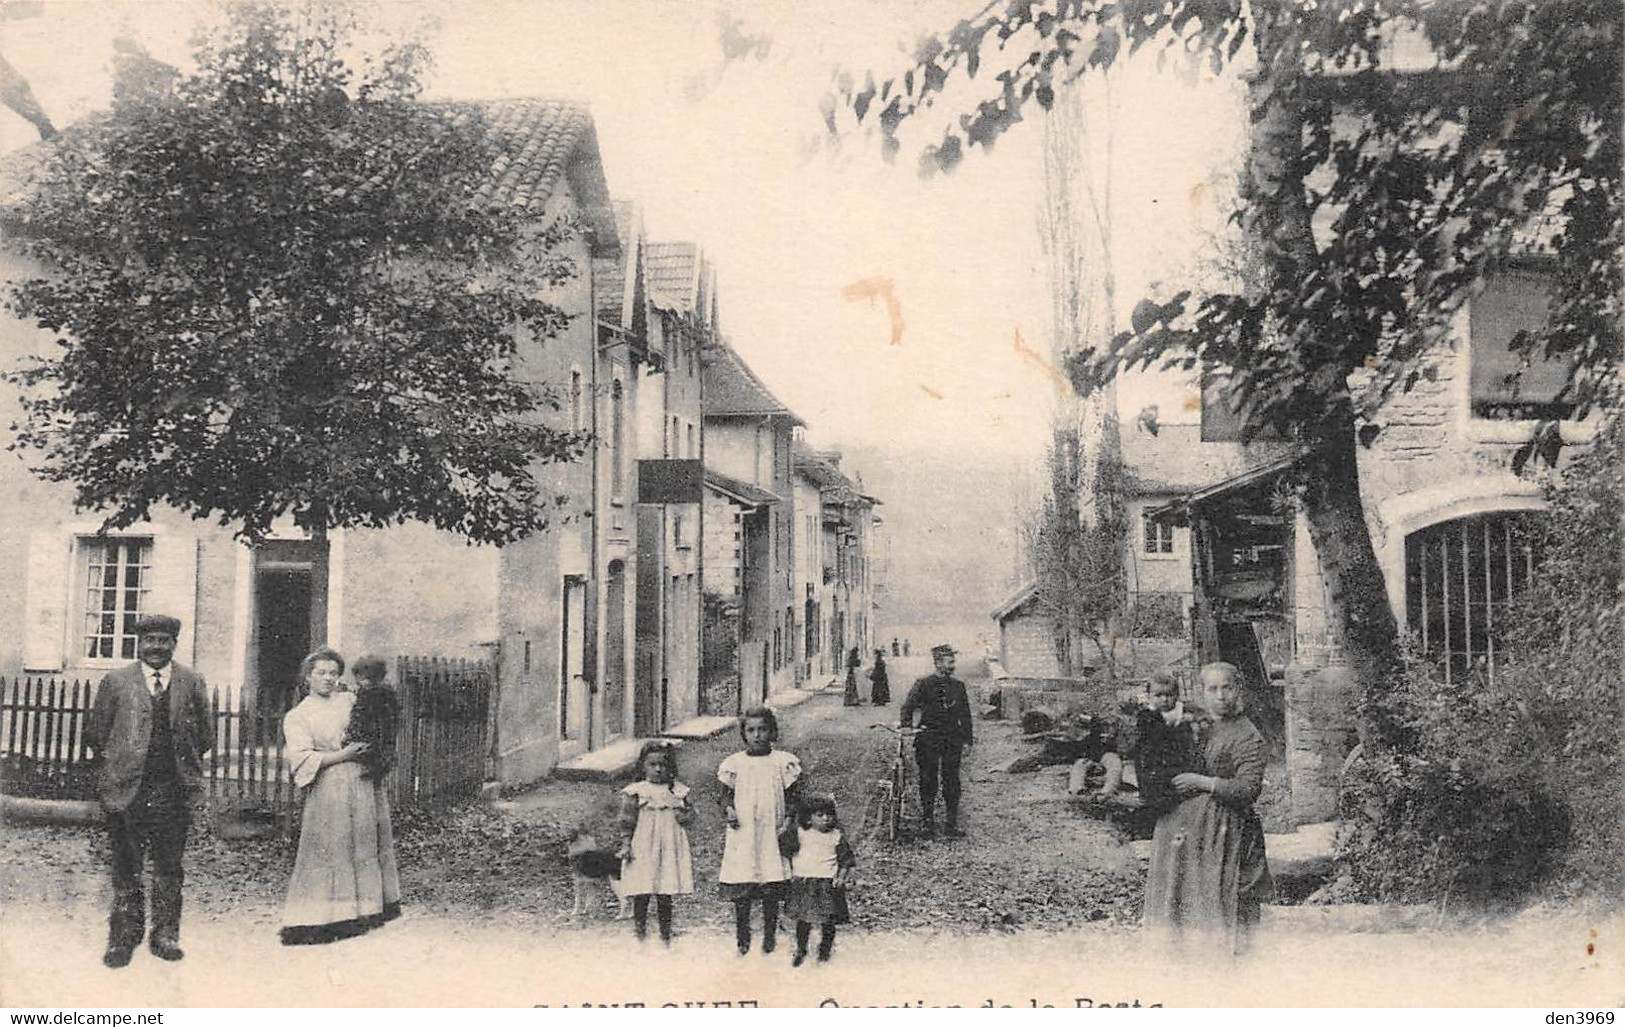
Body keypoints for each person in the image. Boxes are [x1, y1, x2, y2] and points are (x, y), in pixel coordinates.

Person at [85, 613, 213, 968]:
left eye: (164, 640)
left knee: (169, 866)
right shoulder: (116, 681)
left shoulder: (191, 681)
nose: (157, 646)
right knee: (126, 866)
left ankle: (165, 935)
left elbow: (205, 735)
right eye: (150, 640)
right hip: (128, 790)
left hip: (173, 790)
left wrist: (180, 767)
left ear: (175, 643)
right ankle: (123, 938)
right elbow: (97, 733)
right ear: (139, 644)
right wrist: (121, 764)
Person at [1142, 662, 1274, 956]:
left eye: (1227, 687)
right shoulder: (1190, 723)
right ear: (1201, 691)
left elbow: (1248, 789)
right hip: (1182, 836)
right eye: (1212, 689)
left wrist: (1202, 782)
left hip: (1222, 835)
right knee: (1179, 906)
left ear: (1238, 689)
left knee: (1221, 904)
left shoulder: (1247, 735)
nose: (1220, 696)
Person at [279, 647, 403, 945]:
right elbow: (301, 756)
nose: (328, 679)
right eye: (321, 673)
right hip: (329, 786)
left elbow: (378, 722)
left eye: (334, 673)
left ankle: (366, 909)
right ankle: (320, 918)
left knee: (361, 844)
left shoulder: (350, 701)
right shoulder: (298, 716)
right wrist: (343, 754)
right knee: (330, 847)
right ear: (308, 676)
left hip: (362, 782)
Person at [717, 707, 802, 955]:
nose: (757, 735)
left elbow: (793, 796)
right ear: (744, 734)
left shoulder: (782, 762)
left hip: (771, 829)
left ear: (771, 731)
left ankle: (769, 936)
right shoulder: (734, 764)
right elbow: (724, 796)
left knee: (770, 882)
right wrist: (728, 809)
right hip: (743, 831)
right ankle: (742, 937)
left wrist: (788, 819)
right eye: (751, 730)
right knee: (743, 882)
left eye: (762, 729)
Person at [616, 741, 695, 945]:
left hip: (668, 844)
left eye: (663, 764)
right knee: (642, 889)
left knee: (664, 890)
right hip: (643, 843)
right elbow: (626, 820)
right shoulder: (637, 791)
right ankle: (640, 933)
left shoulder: (678, 791)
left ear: (670, 767)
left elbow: (690, 817)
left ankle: (665, 935)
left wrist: (684, 815)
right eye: (653, 764)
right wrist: (626, 844)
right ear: (643, 765)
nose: (658, 769)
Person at [899, 643, 974, 838]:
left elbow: (965, 715)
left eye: (953, 662)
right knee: (928, 780)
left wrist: (967, 740)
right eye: (949, 662)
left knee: (952, 781)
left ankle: (951, 824)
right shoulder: (923, 684)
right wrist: (906, 726)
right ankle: (927, 822)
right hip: (928, 738)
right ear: (938, 663)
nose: (953, 666)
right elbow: (907, 707)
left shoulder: (958, 686)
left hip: (952, 739)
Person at [1097, 674, 1199, 810]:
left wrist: (1189, 723)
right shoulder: (1146, 715)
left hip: (1176, 757)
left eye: (1169, 695)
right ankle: (1151, 797)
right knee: (1152, 774)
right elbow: (1150, 736)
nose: (1164, 699)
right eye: (1158, 695)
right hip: (1153, 759)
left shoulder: (1183, 713)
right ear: (1149, 696)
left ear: (1177, 695)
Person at [781, 794, 856, 966]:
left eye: (829, 815)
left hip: (827, 882)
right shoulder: (800, 833)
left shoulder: (836, 836)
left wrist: (841, 877)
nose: (826, 819)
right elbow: (785, 850)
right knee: (803, 919)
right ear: (808, 817)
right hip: (805, 880)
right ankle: (801, 949)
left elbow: (845, 860)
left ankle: (825, 950)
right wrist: (788, 871)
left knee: (828, 919)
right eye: (820, 815)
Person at [343, 655, 399, 782]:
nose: (358, 682)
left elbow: (360, 715)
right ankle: (378, 765)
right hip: (380, 730)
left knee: (370, 746)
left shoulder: (369, 693)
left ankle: (373, 765)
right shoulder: (388, 693)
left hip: (370, 729)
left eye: (360, 678)